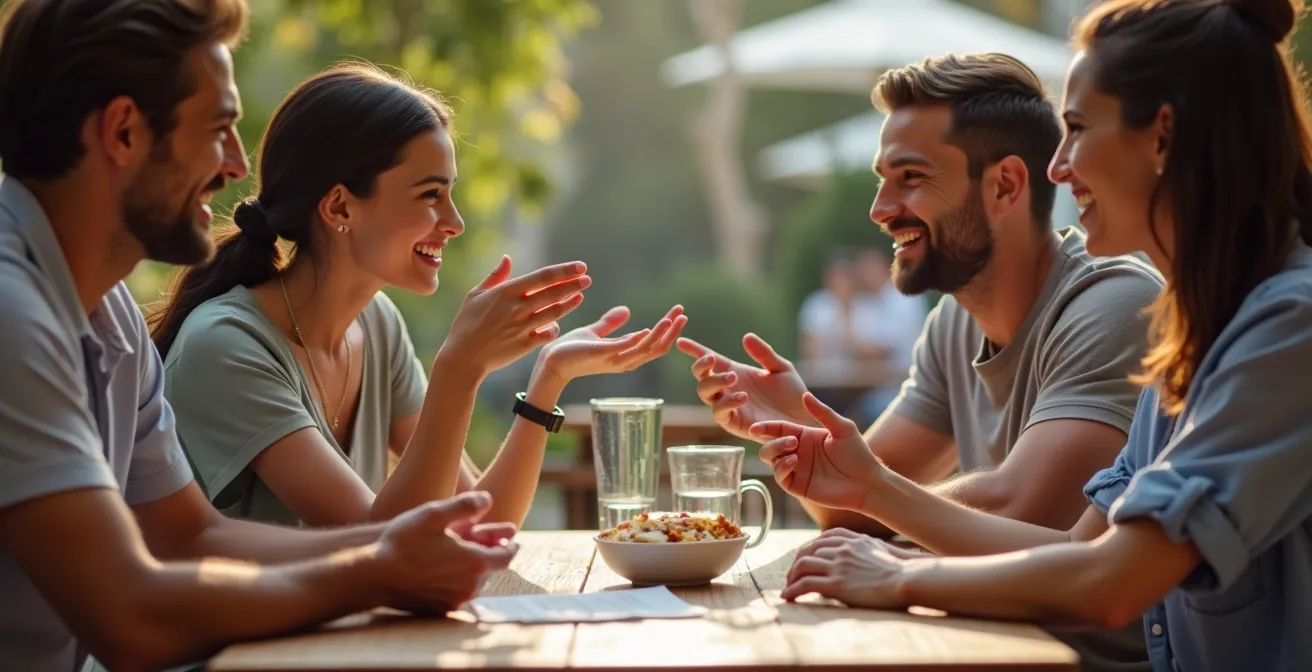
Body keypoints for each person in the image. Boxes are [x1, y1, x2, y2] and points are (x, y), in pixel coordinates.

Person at [762, 1, 1312, 670]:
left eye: (1077, 129)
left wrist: (898, 576)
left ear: (1162, 137)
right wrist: (872, 492)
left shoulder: (1290, 325)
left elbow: (1112, 582)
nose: (1058, 166)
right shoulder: (1193, 334)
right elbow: (1079, 553)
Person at [0, 2, 517, 671]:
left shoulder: (112, 319)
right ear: (124, 132)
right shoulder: (13, 314)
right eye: (219, 129)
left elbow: (191, 536)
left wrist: (387, 553)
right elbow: (130, 616)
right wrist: (375, 570)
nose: (237, 166)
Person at [677, 53, 1163, 671]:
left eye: (910, 176)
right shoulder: (954, 322)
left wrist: (886, 517)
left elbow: (1020, 508)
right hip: (975, 646)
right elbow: (853, 502)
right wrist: (799, 417)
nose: (880, 208)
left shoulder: (1114, 303)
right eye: (883, 178)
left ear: (1005, 186)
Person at [145, 63, 686, 529]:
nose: (454, 222)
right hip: (215, 654)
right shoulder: (228, 346)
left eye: (450, 195)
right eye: (431, 195)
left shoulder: (376, 324)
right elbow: (380, 547)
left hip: (321, 647)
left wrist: (547, 380)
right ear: (339, 208)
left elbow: (482, 519)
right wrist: (459, 367)